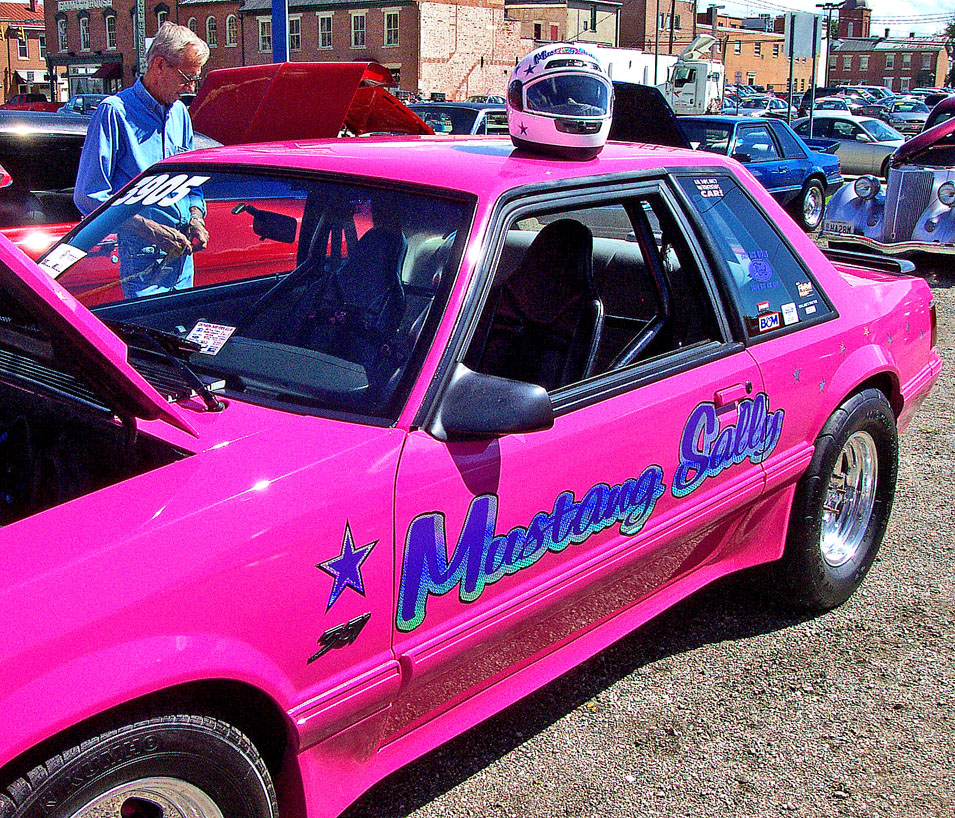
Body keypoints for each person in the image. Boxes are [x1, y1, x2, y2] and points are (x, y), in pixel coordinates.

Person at [74, 22, 210, 298]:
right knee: (148, 339)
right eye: (187, 77)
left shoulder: (180, 114)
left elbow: (190, 178)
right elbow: (89, 196)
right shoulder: (114, 112)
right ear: (159, 65)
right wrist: (149, 229)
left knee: (182, 336)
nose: (190, 87)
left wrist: (196, 215)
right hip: (142, 257)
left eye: (196, 78)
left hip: (182, 254)